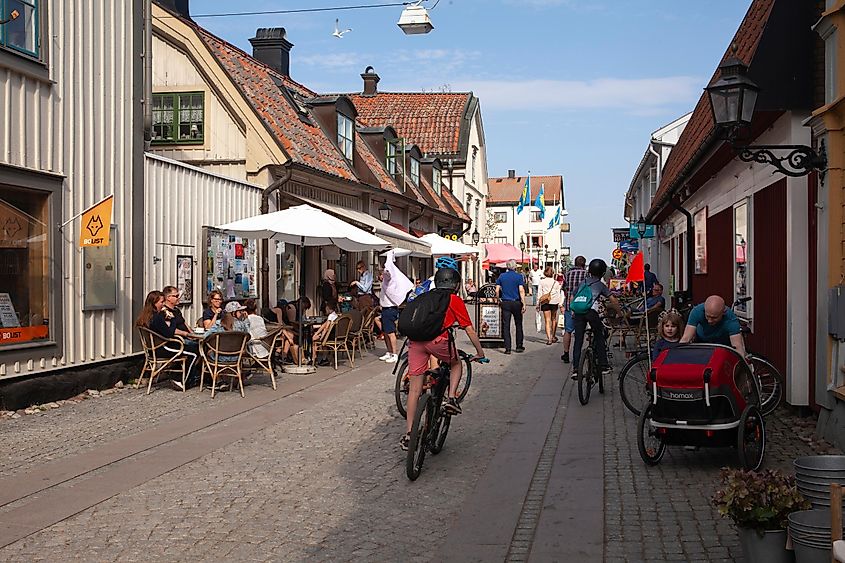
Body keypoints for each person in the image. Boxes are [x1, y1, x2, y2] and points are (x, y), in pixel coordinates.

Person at [399, 267, 486, 451]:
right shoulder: (453, 300)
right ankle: (452, 398)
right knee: (456, 363)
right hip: (437, 342)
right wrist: (480, 352)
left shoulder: (424, 297)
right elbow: (469, 329)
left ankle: (409, 434)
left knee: (415, 390)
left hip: (415, 342)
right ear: (455, 285)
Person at [571, 259, 619, 380]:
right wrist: (619, 312)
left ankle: (576, 369)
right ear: (602, 273)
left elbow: (573, 295)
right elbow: (612, 299)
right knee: (599, 335)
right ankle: (603, 365)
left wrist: (573, 309)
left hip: (578, 312)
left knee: (578, 340)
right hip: (591, 313)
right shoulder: (600, 285)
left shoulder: (583, 282)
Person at [148, 286, 200, 390]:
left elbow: (180, 325)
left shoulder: (162, 314)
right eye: (161, 302)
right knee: (195, 352)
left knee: (199, 347)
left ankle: (195, 376)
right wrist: (172, 321)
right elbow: (169, 333)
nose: (162, 305)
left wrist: (193, 334)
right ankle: (184, 381)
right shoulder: (159, 316)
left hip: (165, 344)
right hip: (164, 346)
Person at [680, 295, 747, 356]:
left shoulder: (731, 320)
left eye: (714, 317)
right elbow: (686, 338)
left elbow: (737, 347)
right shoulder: (697, 311)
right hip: (701, 342)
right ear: (704, 310)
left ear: (723, 312)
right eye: (707, 316)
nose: (710, 321)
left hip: (723, 345)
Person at [379, 251, 414, 364]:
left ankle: (394, 354)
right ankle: (389, 352)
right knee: (385, 332)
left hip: (390, 309)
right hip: (385, 309)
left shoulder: (390, 281)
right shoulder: (386, 282)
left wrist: (388, 263)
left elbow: (389, 272)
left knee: (390, 332)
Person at [561, 255, 587, 363]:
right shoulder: (586, 274)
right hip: (583, 306)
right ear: (583, 264)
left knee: (568, 330)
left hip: (569, 306)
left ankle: (566, 354)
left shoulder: (567, 274)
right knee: (580, 331)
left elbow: (564, 289)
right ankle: (578, 353)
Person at [496, 259, 526, 354]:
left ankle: (508, 348)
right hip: (516, 302)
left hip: (505, 302)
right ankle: (519, 346)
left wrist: (498, 299)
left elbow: (497, 290)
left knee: (506, 325)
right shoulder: (518, 276)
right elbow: (521, 290)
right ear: (515, 267)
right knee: (518, 324)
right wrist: (524, 302)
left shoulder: (502, 276)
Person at [537, 266, 562, 345]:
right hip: (554, 301)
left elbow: (540, 293)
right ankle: (553, 335)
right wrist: (560, 303)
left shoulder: (542, 282)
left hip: (545, 302)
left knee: (547, 320)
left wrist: (538, 303)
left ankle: (549, 338)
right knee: (553, 319)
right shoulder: (556, 282)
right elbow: (559, 294)